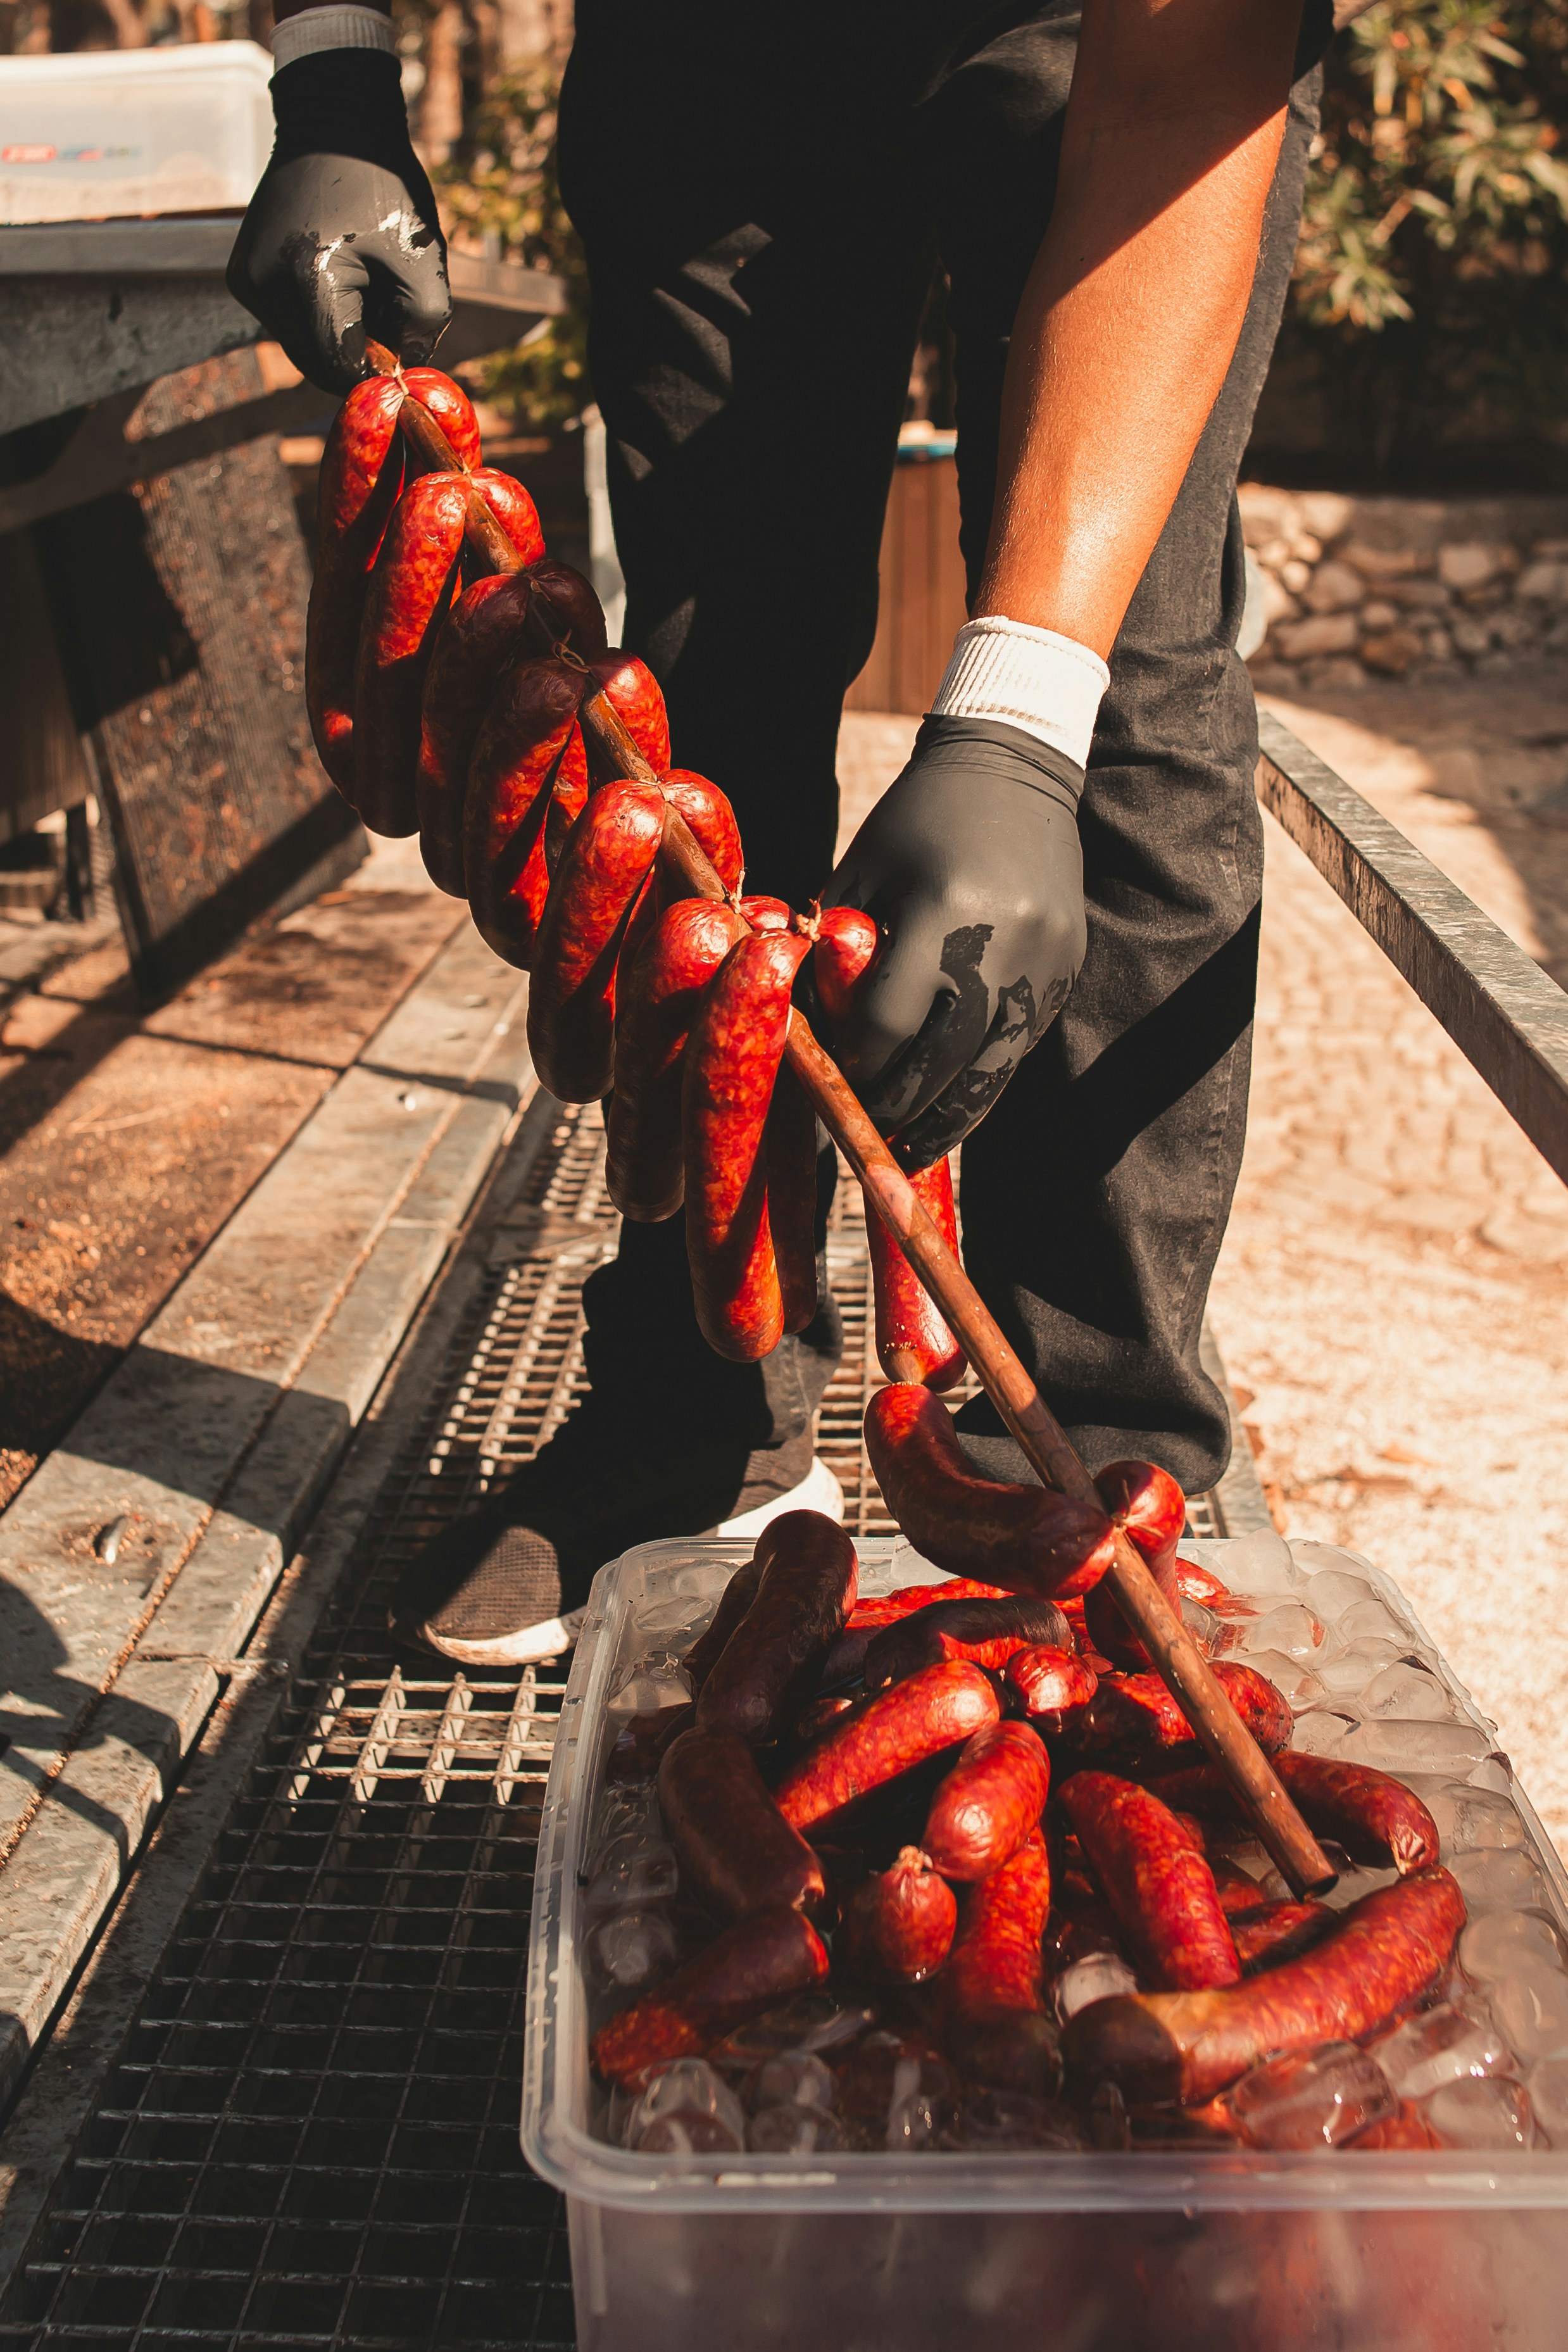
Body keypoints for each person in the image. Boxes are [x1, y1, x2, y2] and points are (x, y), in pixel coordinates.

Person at [231, 0, 1349, 1669]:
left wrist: (1023, 708)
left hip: (1096, 44)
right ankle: (698, 1412)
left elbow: (1186, 85)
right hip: (711, 44)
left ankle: (1110, 1453)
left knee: (1122, 680)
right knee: (701, 666)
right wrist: (329, 62)